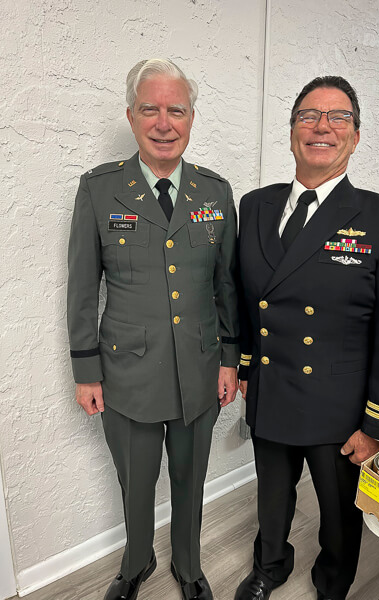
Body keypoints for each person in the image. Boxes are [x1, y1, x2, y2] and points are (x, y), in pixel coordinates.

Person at [235, 76, 379, 600]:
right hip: (271, 390)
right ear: (291, 130)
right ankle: (269, 567)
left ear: (355, 138)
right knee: (271, 499)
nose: (322, 126)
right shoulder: (255, 206)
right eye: (308, 116)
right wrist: (246, 366)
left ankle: (332, 581)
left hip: (339, 404)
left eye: (338, 117)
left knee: (339, 515)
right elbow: (243, 296)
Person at [67, 58, 239, 600]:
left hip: (200, 368)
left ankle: (188, 567)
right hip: (127, 373)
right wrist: (86, 369)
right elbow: (81, 285)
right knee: (135, 483)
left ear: (191, 118)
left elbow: (226, 285)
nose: (164, 122)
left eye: (176, 110)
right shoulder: (99, 190)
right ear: (132, 116)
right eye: (150, 109)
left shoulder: (214, 192)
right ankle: (136, 561)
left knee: (191, 483)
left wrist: (231, 359)